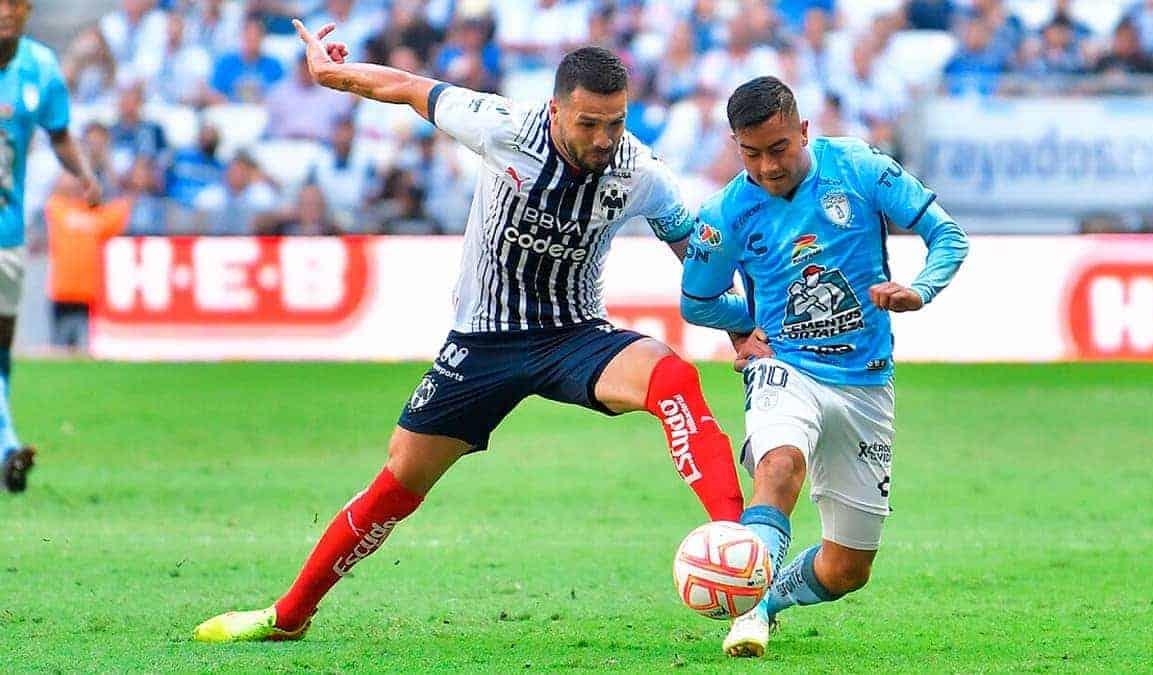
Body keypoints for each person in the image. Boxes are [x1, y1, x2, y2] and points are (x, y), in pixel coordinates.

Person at [192, 22, 762, 643]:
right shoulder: (503, 127)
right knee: (399, 482)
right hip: (483, 342)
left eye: (615, 123)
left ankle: (734, 556)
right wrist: (332, 75)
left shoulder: (639, 171)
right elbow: (409, 87)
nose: (603, 139)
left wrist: (736, 330)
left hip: (573, 334)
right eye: (588, 123)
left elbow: (689, 244)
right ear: (554, 111)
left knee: (671, 375)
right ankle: (290, 614)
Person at [678, 77, 968, 657]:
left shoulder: (857, 167)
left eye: (779, 148)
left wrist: (920, 290)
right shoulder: (726, 211)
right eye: (751, 153)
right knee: (780, 465)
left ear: (804, 131)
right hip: (786, 368)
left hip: (866, 384)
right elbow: (697, 299)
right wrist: (747, 324)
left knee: (847, 569)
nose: (766, 166)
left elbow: (948, 235)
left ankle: (772, 597)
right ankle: (750, 603)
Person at [0, 0, 102, 492]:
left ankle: (5, 443)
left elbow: (58, 132)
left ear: (27, 11)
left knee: (2, 352)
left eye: (12, 3)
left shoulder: (39, 66)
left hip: (8, 237)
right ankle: (6, 444)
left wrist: (82, 173)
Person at [43, 172, 130, 349]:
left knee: (82, 349)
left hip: (87, 294)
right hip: (62, 291)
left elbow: (121, 210)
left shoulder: (98, 215)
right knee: (59, 347)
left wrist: (100, 192)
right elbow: (54, 195)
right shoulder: (58, 207)